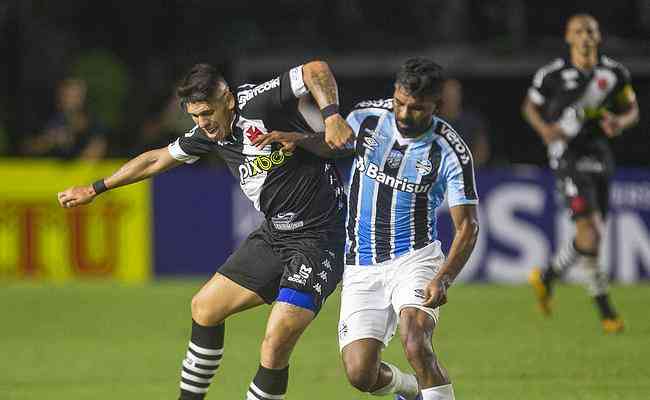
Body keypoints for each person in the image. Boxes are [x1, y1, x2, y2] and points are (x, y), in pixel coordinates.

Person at [57, 60, 353, 400]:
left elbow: (316, 69)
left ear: (227, 99)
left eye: (207, 113)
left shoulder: (258, 103)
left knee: (274, 345)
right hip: (275, 236)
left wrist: (331, 115)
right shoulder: (209, 134)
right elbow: (156, 159)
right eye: (195, 115)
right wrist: (96, 188)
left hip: (320, 240)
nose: (203, 123)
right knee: (205, 308)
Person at [253, 57, 480, 400]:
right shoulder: (369, 117)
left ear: (438, 105)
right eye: (400, 102)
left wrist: (444, 277)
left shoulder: (450, 151)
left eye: (416, 108)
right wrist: (299, 140)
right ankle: (411, 391)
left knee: (415, 340)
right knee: (360, 373)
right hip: (361, 262)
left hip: (415, 258)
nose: (404, 114)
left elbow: (468, 226)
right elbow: (334, 144)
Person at [522, 14, 639, 333]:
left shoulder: (614, 73)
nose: (585, 36)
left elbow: (632, 109)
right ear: (569, 37)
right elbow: (530, 107)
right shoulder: (553, 74)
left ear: (598, 36)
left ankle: (548, 276)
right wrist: (544, 128)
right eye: (579, 31)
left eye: (590, 31)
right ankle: (606, 311)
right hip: (567, 155)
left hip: (599, 153)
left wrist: (620, 123)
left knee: (592, 235)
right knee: (592, 232)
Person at [23, 78, 108, 160]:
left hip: (79, 173)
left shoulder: (93, 123)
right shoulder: (43, 117)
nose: (69, 100)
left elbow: (96, 152)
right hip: (43, 171)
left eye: (75, 96)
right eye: (65, 95)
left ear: (83, 98)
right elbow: (25, 149)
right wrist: (48, 140)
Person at [438, 78, 491, 167]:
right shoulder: (431, 121)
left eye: (454, 94)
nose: (451, 98)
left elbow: (482, 151)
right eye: (448, 94)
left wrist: (466, 169)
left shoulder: (472, 121)